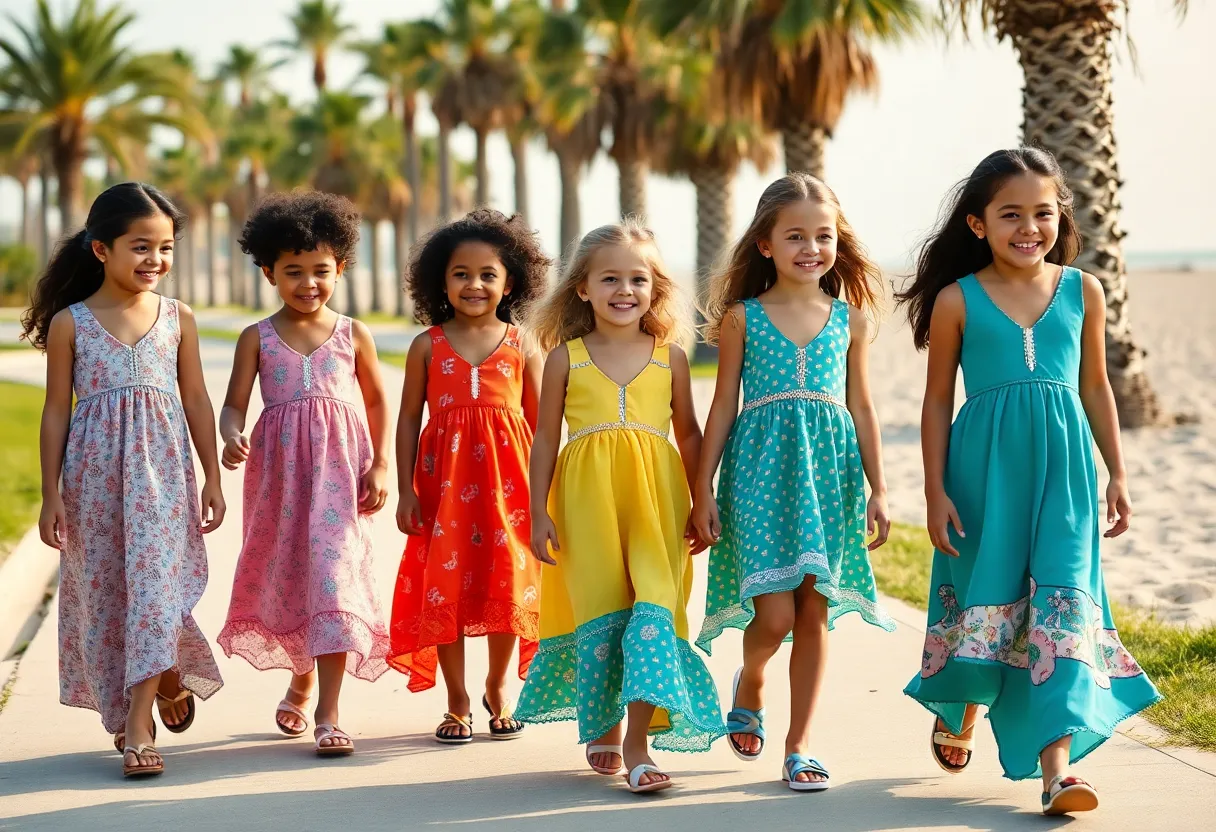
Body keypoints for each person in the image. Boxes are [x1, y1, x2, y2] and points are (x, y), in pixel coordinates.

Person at [896, 148, 1161, 816]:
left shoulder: (1083, 290)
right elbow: (935, 402)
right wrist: (934, 489)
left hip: (1066, 475)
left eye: (1042, 212)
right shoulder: (957, 300)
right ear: (978, 224)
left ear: (1060, 216)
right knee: (988, 594)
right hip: (983, 473)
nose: (1029, 227)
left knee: (1063, 602)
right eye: (1010, 214)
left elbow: (1095, 385)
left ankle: (1057, 770)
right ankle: (960, 700)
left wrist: (1118, 473)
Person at [691, 172, 895, 791]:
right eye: (796, 236)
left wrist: (879, 489)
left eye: (824, 236)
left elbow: (862, 406)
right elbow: (723, 403)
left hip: (831, 476)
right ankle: (751, 679)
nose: (812, 248)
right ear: (765, 245)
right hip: (759, 474)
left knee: (814, 612)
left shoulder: (850, 321)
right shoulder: (741, 319)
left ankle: (799, 744)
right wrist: (702, 488)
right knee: (774, 615)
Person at [515, 220, 724, 794]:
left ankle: (638, 743)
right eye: (610, 278)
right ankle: (604, 726)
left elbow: (688, 435)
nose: (624, 290)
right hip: (586, 506)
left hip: (657, 503)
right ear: (582, 287)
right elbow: (544, 441)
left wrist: (702, 495)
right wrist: (538, 511)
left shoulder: (671, 358)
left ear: (656, 289)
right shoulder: (565, 358)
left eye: (638, 279)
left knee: (654, 607)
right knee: (604, 610)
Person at [25, 182, 226, 778]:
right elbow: (56, 410)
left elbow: (196, 397)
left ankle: (138, 725)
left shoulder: (178, 318)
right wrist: (50, 493)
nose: (155, 261)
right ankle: (162, 677)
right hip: (94, 484)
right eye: (141, 246)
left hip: (164, 481)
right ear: (100, 249)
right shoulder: (71, 324)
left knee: (157, 593)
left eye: (165, 248)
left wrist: (213, 475)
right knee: (113, 597)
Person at [216, 192, 392, 757]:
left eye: (321, 270)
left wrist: (382, 463)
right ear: (269, 272)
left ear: (339, 269)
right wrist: (231, 432)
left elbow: (378, 402)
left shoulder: (352, 333)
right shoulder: (257, 337)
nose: (308, 282)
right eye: (293, 271)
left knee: (335, 577)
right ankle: (301, 677)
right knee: (294, 576)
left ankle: (329, 709)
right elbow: (234, 403)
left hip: (341, 477)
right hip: (280, 481)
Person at [389, 209, 549, 743]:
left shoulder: (523, 344)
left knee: (508, 583)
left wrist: (549, 494)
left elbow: (543, 420)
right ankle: (457, 699)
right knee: (448, 587)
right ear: (441, 280)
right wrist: (408, 488)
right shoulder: (426, 345)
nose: (474, 284)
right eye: (461, 273)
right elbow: (410, 417)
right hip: (445, 486)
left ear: (510, 282)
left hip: (512, 487)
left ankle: (498, 686)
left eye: (488, 274)